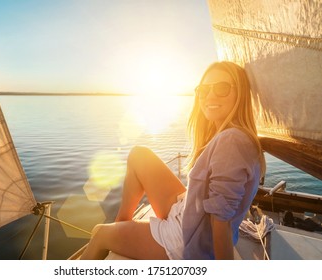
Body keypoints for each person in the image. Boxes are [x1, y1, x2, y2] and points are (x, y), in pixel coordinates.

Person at [80, 61, 266, 260]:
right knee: (138, 155)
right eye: (204, 90)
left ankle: (115, 235)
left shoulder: (232, 141)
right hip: (186, 211)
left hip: (184, 239)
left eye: (222, 88)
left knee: (99, 234)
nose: (210, 96)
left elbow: (221, 222)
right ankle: (121, 228)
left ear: (241, 94)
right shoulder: (229, 134)